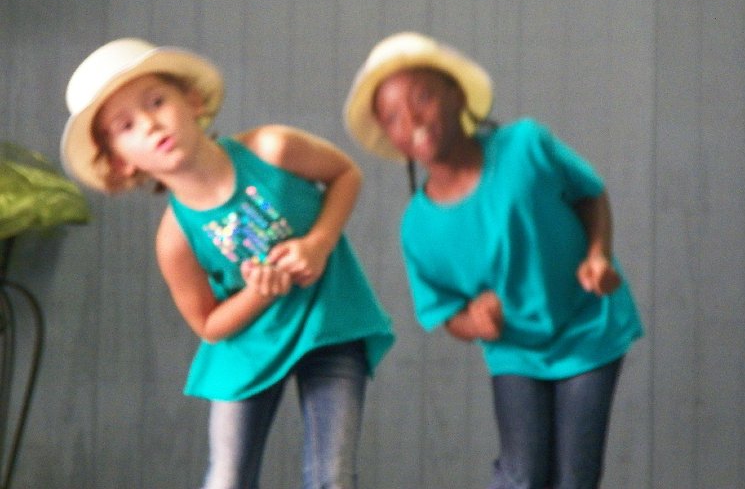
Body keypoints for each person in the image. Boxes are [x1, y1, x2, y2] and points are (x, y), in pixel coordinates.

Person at [61, 38, 394, 489]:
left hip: (327, 323)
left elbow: (345, 174)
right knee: (227, 478)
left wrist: (319, 243)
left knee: (331, 476)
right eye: (126, 125)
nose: (151, 124)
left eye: (157, 101)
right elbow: (209, 325)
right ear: (120, 162)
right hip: (247, 349)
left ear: (192, 101)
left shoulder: (273, 149)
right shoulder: (175, 240)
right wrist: (259, 293)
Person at [343, 32, 642, 489]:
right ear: (392, 140)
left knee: (575, 477)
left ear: (458, 96)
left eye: (422, 97)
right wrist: (475, 323)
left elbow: (590, 193)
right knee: (522, 475)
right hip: (515, 350)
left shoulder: (526, 145)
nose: (413, 119)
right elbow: (448, 314)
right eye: (393, 117)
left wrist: (597, 254)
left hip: (588, 329)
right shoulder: (418, 227)